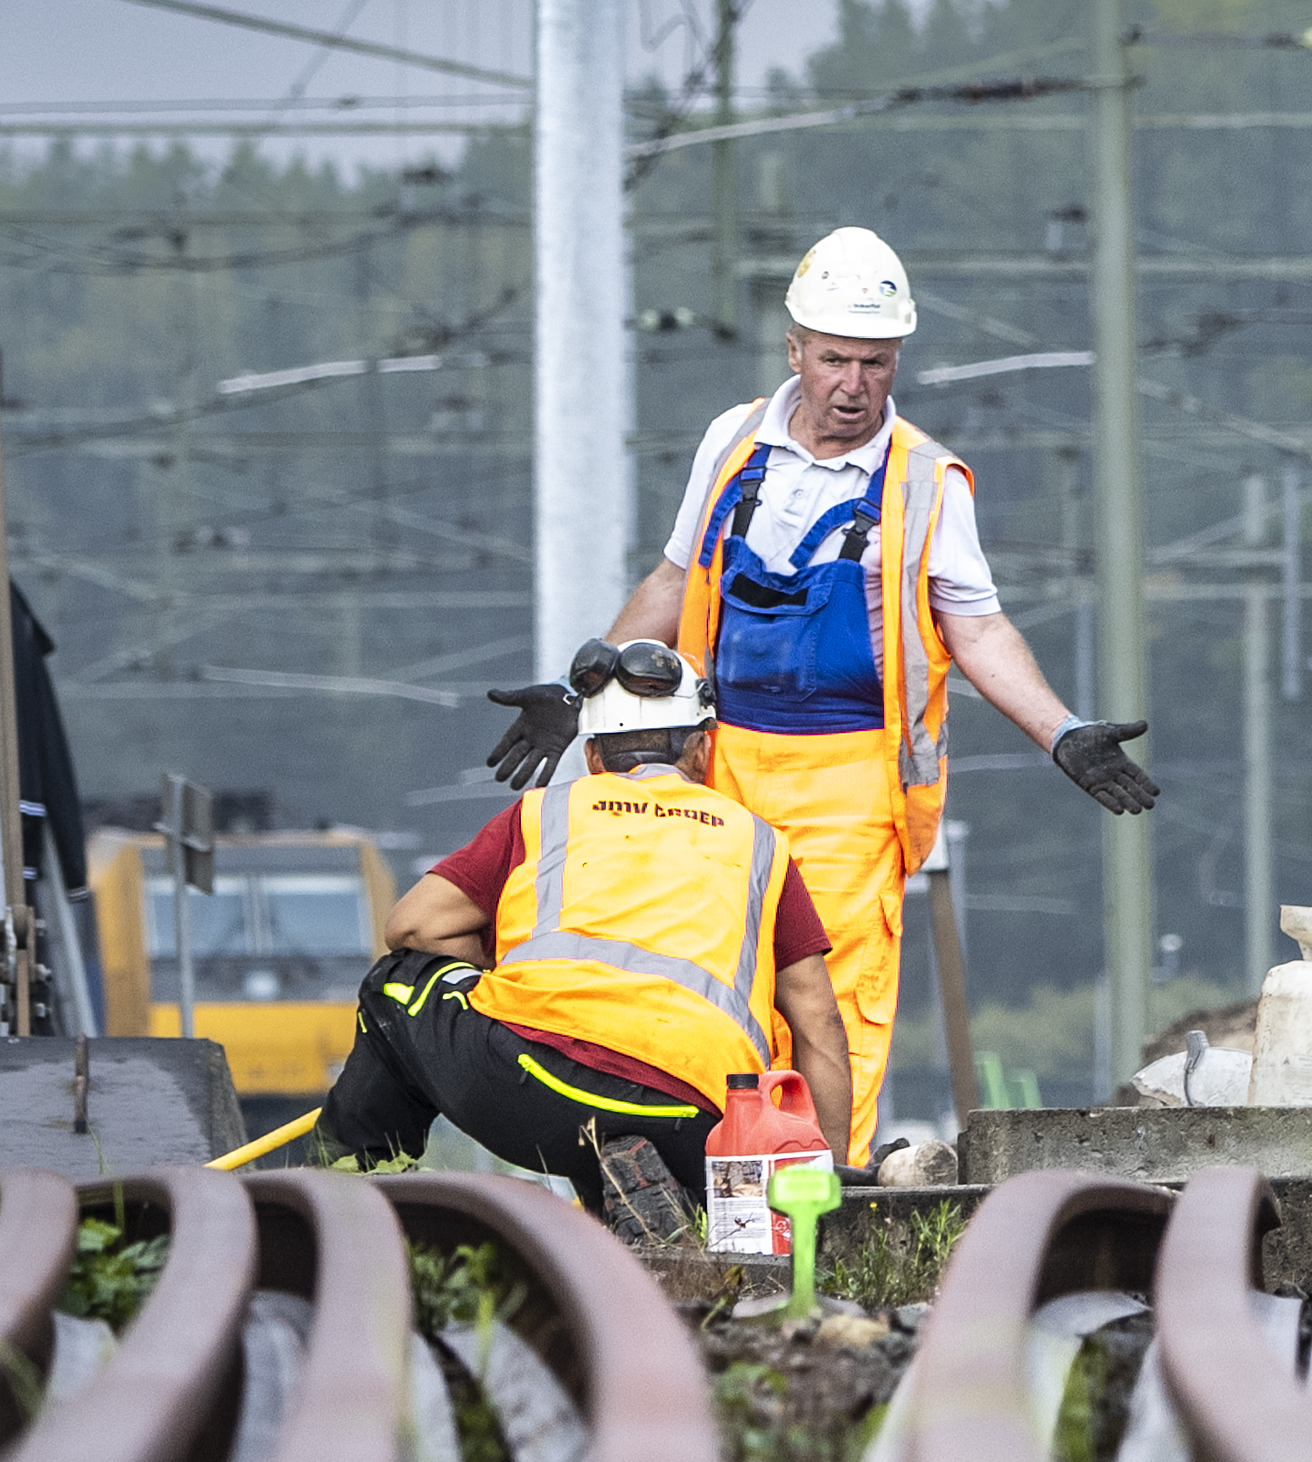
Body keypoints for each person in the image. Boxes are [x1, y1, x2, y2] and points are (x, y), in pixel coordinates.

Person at [486, 224, 1157, 1128]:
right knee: (706, 980)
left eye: (876, 364)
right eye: (836, 360)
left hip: (849, 782)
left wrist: (1060, 730)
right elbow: (677, 579)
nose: (854, 386)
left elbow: (976, 624)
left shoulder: (925, 480)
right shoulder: (732, 442)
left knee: (829, 1006)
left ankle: (816, 1209)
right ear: (794, 349)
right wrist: (585, 699)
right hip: (712, 765)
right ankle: (703, 1193)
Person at [331, 643, 854, 1228]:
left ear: (593, 756)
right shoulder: (760, 844)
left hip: (538, 1082)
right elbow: (820, 1028)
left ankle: (352, 1195)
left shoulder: (546, 812)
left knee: (396, 984)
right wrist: (827, 1188)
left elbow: (410, 926)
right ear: (702, 748)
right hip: (702, 1121)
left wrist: (510, 969)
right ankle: (635, 1208)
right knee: (695, 1234)